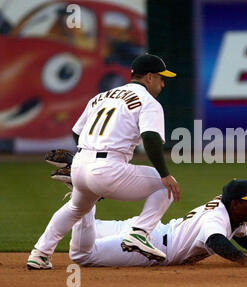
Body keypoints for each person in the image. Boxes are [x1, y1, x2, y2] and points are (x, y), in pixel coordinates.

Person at [27, 54, 181, 270]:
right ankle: (139, 234)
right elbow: (151, 138)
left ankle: (40, 253)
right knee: (163, 185)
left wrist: (85, 155)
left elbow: (77, 132)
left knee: (76, 208)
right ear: (148, 77)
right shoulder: (149, 102)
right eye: (160, 78)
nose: (163, 83)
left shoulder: (102, 97)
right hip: (109, 167)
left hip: (81, 164)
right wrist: (165, 173)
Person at [68, 178, 247, 267]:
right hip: (152, 247)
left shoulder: (230, 212)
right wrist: (245, 262)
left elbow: (243, 235)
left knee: (89, 227)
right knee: (84, 256)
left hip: (149, 228)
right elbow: (216, 241)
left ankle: (80, 187)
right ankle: (83, 190)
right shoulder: (216, 218)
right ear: (235, 203)